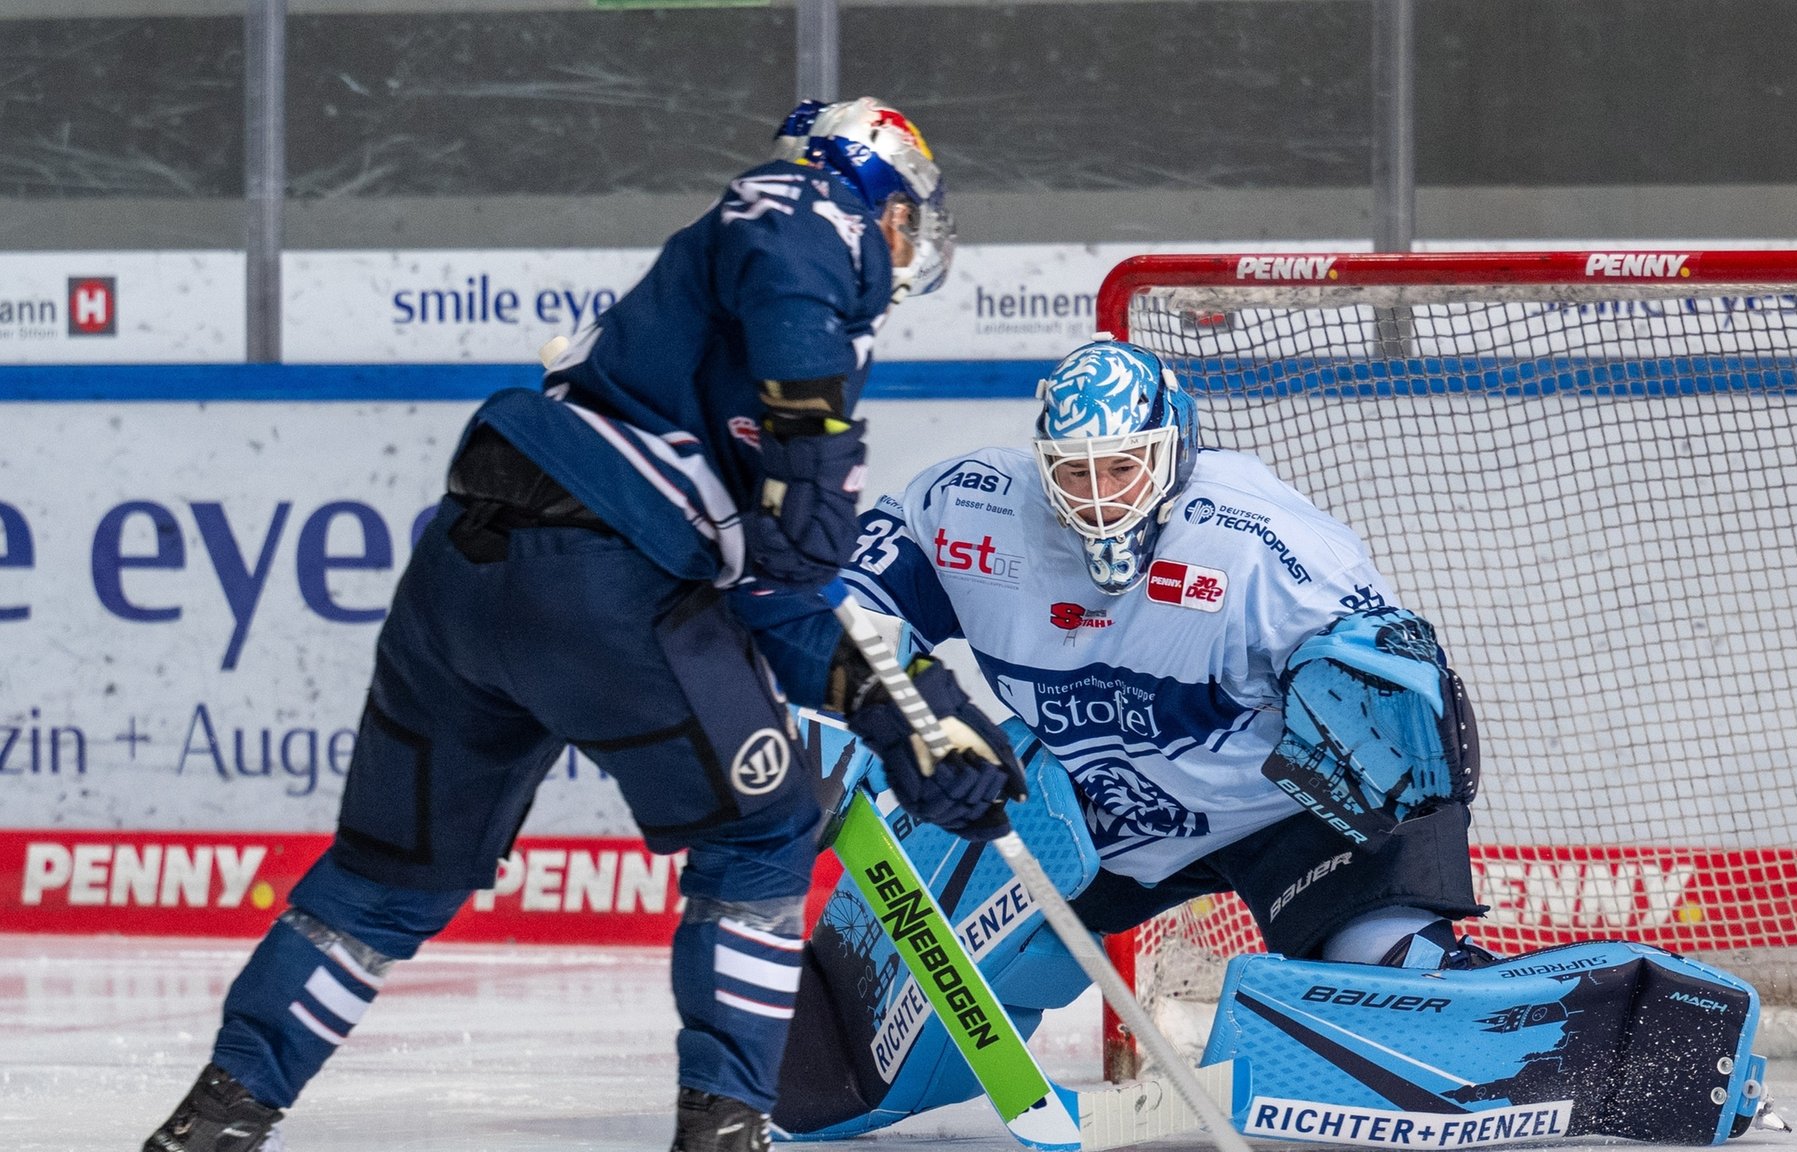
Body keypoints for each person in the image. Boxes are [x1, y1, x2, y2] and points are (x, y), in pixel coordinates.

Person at [141, 97, 1016, 1152]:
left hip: (467, 573)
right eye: (904, 216)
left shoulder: (700, 351)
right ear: (877, 207)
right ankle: (724, 1131)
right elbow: (781, 223)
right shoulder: (803, 217)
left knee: (382, 879)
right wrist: (811, 425)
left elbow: (772, 600)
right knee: (762, 831)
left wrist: (903, 715)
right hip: (601, 584)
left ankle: (218, 1117)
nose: (908, 241)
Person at [771, 337, 1486, 1138]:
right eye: (1075, 471)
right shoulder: (972, 508)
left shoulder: (1263, 546)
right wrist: (830, 702)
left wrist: (1376, 706)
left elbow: (1394, 718)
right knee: (843, 1068)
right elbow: (843, 596)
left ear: (1175, 445)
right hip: (1093, 807)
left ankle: (1517, 1029)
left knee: (1396, 984)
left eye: (1122, 466)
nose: (1098, 497)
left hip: (1277, 815)